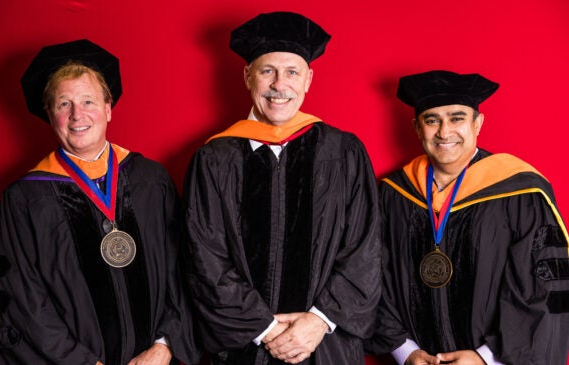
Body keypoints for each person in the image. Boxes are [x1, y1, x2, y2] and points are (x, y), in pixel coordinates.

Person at [182, 11, 381, 365]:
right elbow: (204, 256)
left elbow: (364, 249)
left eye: (292, 72)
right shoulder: (214, 158)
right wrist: (266, 329)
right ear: (247, 77)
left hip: (325, 348)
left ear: (309, 80)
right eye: (267, 71)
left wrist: (318, 321)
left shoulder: (343, 152)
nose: (280, 85)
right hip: (245, 347)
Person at [0, 39, 199, 365]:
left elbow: (184, 267)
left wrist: (164, 345)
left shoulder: (150, 180)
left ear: (108, 108)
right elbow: (22, 301)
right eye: (63, 104)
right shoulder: (25, 199)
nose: (77, 115)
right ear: (49, 114)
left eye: (88, 101)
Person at [364, 70, 569, 364]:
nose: (444, 132)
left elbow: (543, 289)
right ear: (416, 127)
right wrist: (405, 351)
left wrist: (484, 358)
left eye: (457, 118)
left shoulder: (521, 193)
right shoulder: (394, 194)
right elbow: (370, 275)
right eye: (432, 120)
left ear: (478, 123)